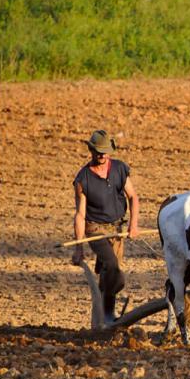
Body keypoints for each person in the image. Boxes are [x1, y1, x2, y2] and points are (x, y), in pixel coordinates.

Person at [71, 130, 140, 323]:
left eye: (105, 151)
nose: (102, 155)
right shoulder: (83, 179)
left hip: (117, 229)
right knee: (114, 270)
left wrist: (133, 225)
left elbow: (133, 197)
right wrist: (79, 248)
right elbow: (80, 215)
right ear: (91, 150)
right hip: (95, 229)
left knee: (108, 272)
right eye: (98, 151)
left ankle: (103, 316)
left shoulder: (119, 169)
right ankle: (108, 313)